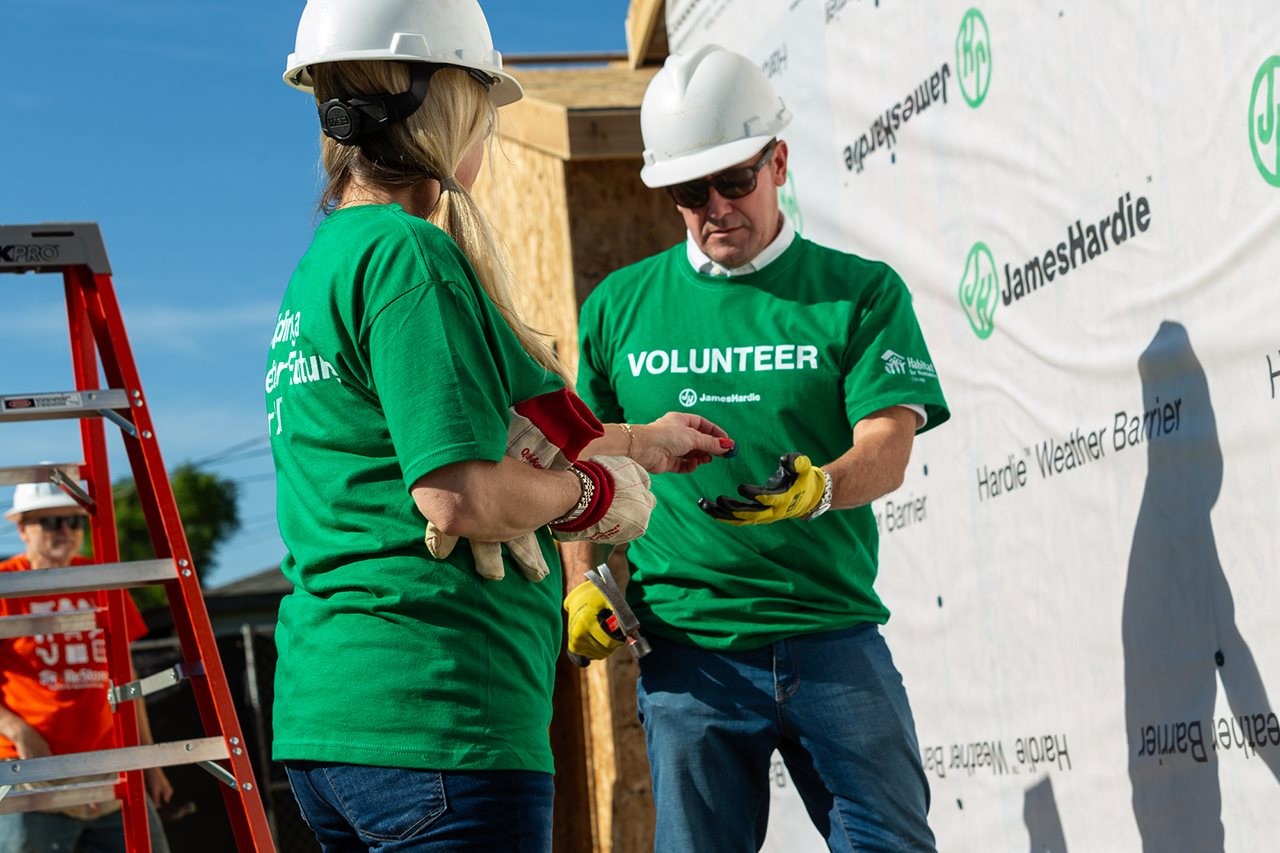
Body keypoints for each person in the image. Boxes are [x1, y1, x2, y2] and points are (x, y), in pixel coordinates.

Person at [269, 2, 729, 849]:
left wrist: (642, 440)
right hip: (440, 711)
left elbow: (518, 422)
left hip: (336, 718)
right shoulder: (411, 256)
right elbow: (457, 493)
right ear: (443, 103)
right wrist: (591, 495)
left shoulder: (327, 261)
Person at [567, 44, 951, 852]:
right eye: (688, 191)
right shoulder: (616, 309)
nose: (715, 207)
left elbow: (886, 444)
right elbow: (582, 468)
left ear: (777, 160)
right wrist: (583, 583)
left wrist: (819, 488)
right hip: (689, 654)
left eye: (734, 180)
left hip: (833, 635)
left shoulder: (858, 291)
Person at [0, 481, 173, 853]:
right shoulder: (5, 587)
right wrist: (18, 730)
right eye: (52, 522)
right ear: (22, 529)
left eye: (74, 522)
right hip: (30, 772)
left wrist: (149, 761)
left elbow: (127, 678)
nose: (66, 531)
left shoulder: (100, 580)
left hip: (110, 767)